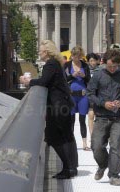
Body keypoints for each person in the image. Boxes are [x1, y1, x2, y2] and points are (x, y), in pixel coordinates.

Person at [20, 40, 78, 179]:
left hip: (57, 107)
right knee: (67, 136)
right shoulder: (55, 63)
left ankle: (67, 168)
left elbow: (43, 82)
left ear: (46, 52)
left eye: (40, 51)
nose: (39, 53)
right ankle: (71, 168)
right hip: (63, 104)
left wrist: (28, 82)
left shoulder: (50, 64)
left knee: (53, 137)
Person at [87, 48, 120, 186]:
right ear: (104, 63)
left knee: (115, 147)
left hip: (117, 118)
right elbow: (90, 93)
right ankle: (103, 165)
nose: (112, 68)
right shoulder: (97, 75)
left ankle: (114, 175)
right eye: (110, 66)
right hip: (101, 117)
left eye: (115, 66)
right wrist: (103, 103)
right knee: (96, 146)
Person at [65, 45, 91, 150]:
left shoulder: (85, 65)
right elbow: (64, 79)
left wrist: (84, 76)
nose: (76, 58)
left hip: (83, 96)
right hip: (71, 95)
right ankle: (71, 143)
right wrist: (73, 75)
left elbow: (89, 80)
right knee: (71, 120)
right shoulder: (67, 65)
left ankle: (84, 143)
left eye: (78, 56)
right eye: (74, 56)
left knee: (82, 119)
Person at [86, 52, 101, 148]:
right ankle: (92, 136)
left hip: (99, 95)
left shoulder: (101, 70)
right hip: (90, 95)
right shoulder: (86, 71)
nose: (92, 62)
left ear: (97, 61)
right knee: (91, 115)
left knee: (98, 116)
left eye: (94, 60)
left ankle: (99, 137)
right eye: (90, 61)